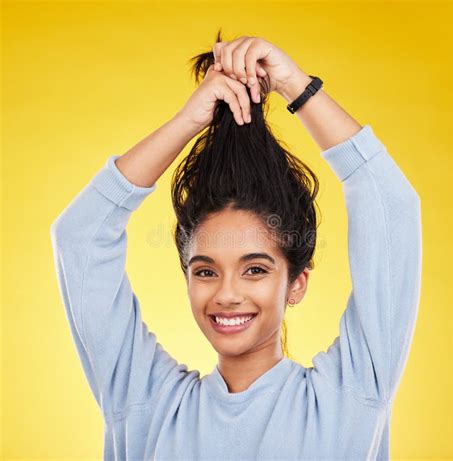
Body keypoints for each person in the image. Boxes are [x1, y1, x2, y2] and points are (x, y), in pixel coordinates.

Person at [50, 32, 422, 460]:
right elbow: (80, 236)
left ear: (297, 283)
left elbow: (390, 205)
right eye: (206, 271)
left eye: (255, 269)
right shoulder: (146, 405)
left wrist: (296, 87)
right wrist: (188, 121)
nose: (226, 294)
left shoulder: (350, 398)